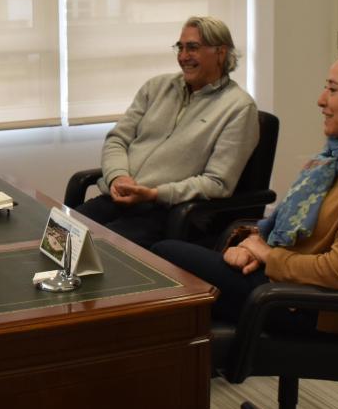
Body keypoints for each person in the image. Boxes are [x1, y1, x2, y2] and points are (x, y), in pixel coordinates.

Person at [151, 44, 338, 334]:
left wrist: (267, 256)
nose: (321, 100)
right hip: (281, 284)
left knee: (164, 257)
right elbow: (296, 231)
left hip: (307, 306)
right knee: (165, 261)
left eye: (333, 90)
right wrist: (250, 247)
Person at [76, 16, 259, 249]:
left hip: (169, 212)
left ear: (220, 53)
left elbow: (217, 183)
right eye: (180, 47)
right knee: (57, 236)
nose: (183, 57)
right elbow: (117, 139)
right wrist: (118, 176)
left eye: (192, 48)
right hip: (118, 198)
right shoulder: (156, 87)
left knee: (96, 251)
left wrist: (154, 193)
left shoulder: (239, 108)